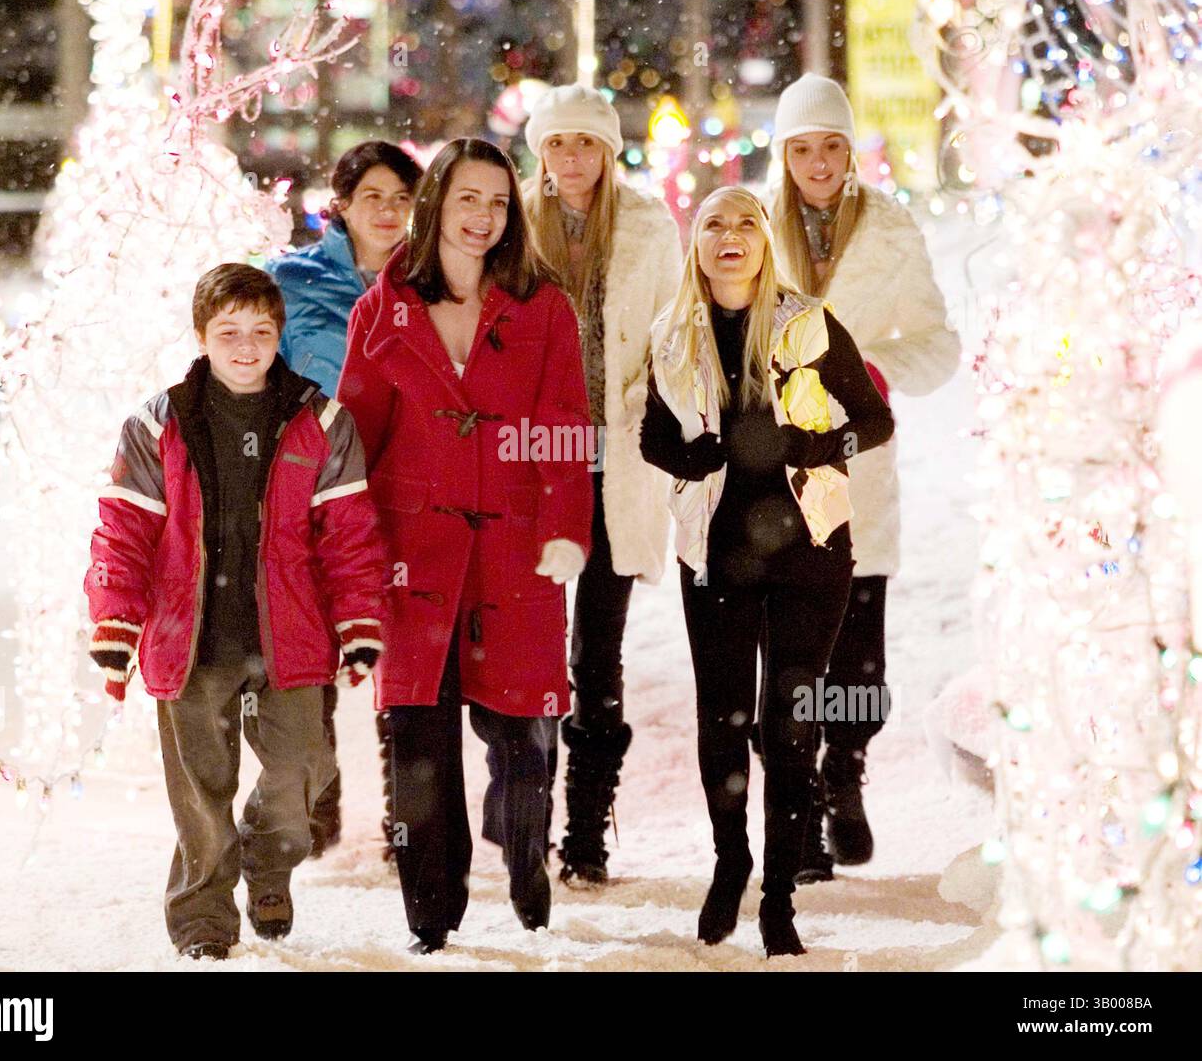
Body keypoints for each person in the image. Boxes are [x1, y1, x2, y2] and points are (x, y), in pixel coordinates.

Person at [84, 263, 386, 960]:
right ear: (201, 336)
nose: (246, 347)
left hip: (290, 634)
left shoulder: (321, 419)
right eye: (229, 332)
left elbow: (350, 535)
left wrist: (359, 623)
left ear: (280, 334)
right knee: (201, 789)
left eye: (260, 331)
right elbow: (123, 531)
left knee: (303, 773)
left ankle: (268, 862)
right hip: (191, 637)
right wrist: (114, 623)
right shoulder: (158, 423)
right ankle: (202, 919)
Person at [338, 137, 593, 954]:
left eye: (497, 201)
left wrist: (566, 530)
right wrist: (350, 550)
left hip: (516, 542)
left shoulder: (541, 306)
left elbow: (563, 426)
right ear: (436, 203)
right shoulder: (383, 309)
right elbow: (357, 439)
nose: (482, 217)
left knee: (522, 732)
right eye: (467, 199)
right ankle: (430, 910)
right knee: (417, 734)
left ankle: (525, 854)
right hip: (412, 550)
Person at [640, 187, 893, 956]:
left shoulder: (807, 322)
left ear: (763, 242)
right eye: (714, 222)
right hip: (716, 554)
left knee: (788, 727)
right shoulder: (672, 335)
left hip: (810, 550)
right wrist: (691, 458)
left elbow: (874, 421)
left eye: (747, 221)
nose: (731, 235)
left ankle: (779, 893)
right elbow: (654, 436)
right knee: (722, 721)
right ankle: (730, 862)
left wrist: (814, 448)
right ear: (697, 243)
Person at [766, 73, 960, 879]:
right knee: (790, 652)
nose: (817, 162)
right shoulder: (747, 222)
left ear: (851, 151)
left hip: (859, 464)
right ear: (783, 153)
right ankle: (801, 804)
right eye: (802, 147)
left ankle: (845, 772)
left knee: (858, 658)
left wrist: (874, 367)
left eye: (831, 146)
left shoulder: (890, 229)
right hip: (772, 471)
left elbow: (938, 342)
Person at [521, 85, 682, 886]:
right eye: (557, 145)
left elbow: (674, 334)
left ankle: (586, 830)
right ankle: (527, 820)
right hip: (537, 464)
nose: (571, 159)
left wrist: (644, 405)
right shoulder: (515, 225)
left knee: (598, 652)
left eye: (586, 144)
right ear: (540, 153)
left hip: (617, 462)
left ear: (609, 152)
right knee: (529, 647)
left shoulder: (650, 228)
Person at [266, 141, 424, 861]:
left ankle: (408, 817)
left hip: (406, 485)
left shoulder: (435, 278)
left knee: (407, 652)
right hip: (314, 487)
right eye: (373, 197)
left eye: (401, 197)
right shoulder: (289, 281)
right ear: (342, 205)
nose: (388, 212)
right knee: (312, 646)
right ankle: (318, 806)